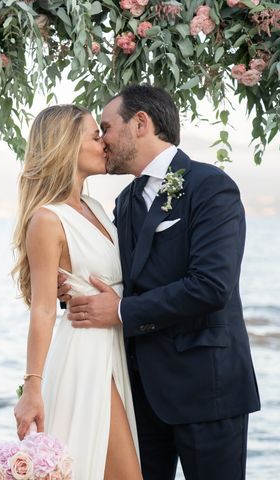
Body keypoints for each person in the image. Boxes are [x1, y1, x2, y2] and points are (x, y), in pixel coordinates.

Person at [60, 84, 261, 480]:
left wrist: (119, 310)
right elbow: (121, 278)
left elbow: (211, 285)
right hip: (142, 393)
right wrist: (74, 291)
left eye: (106, 127)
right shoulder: (125, 202)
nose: (102, 140)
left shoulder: (210, 186)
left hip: (208, 389)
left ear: (140, 123)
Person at [12, 104, 142, 480]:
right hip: (84, 359)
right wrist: (32, 387)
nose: (104, 143)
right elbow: (43, 310)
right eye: (94, 135)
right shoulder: (47, 219)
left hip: (114, 350)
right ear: (67, 146)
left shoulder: (97, 208)